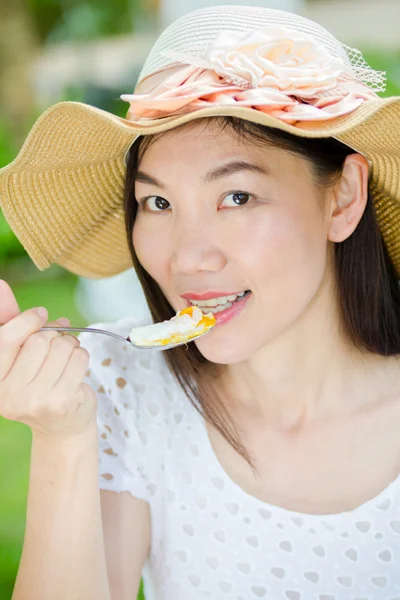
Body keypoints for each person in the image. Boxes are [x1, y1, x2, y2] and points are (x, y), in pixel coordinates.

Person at [0, 5, 399, 600]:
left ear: (343, 198)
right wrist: (65, 436)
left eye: (236, 196)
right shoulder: (126, 391)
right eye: (157, 204)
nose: (187, 259)